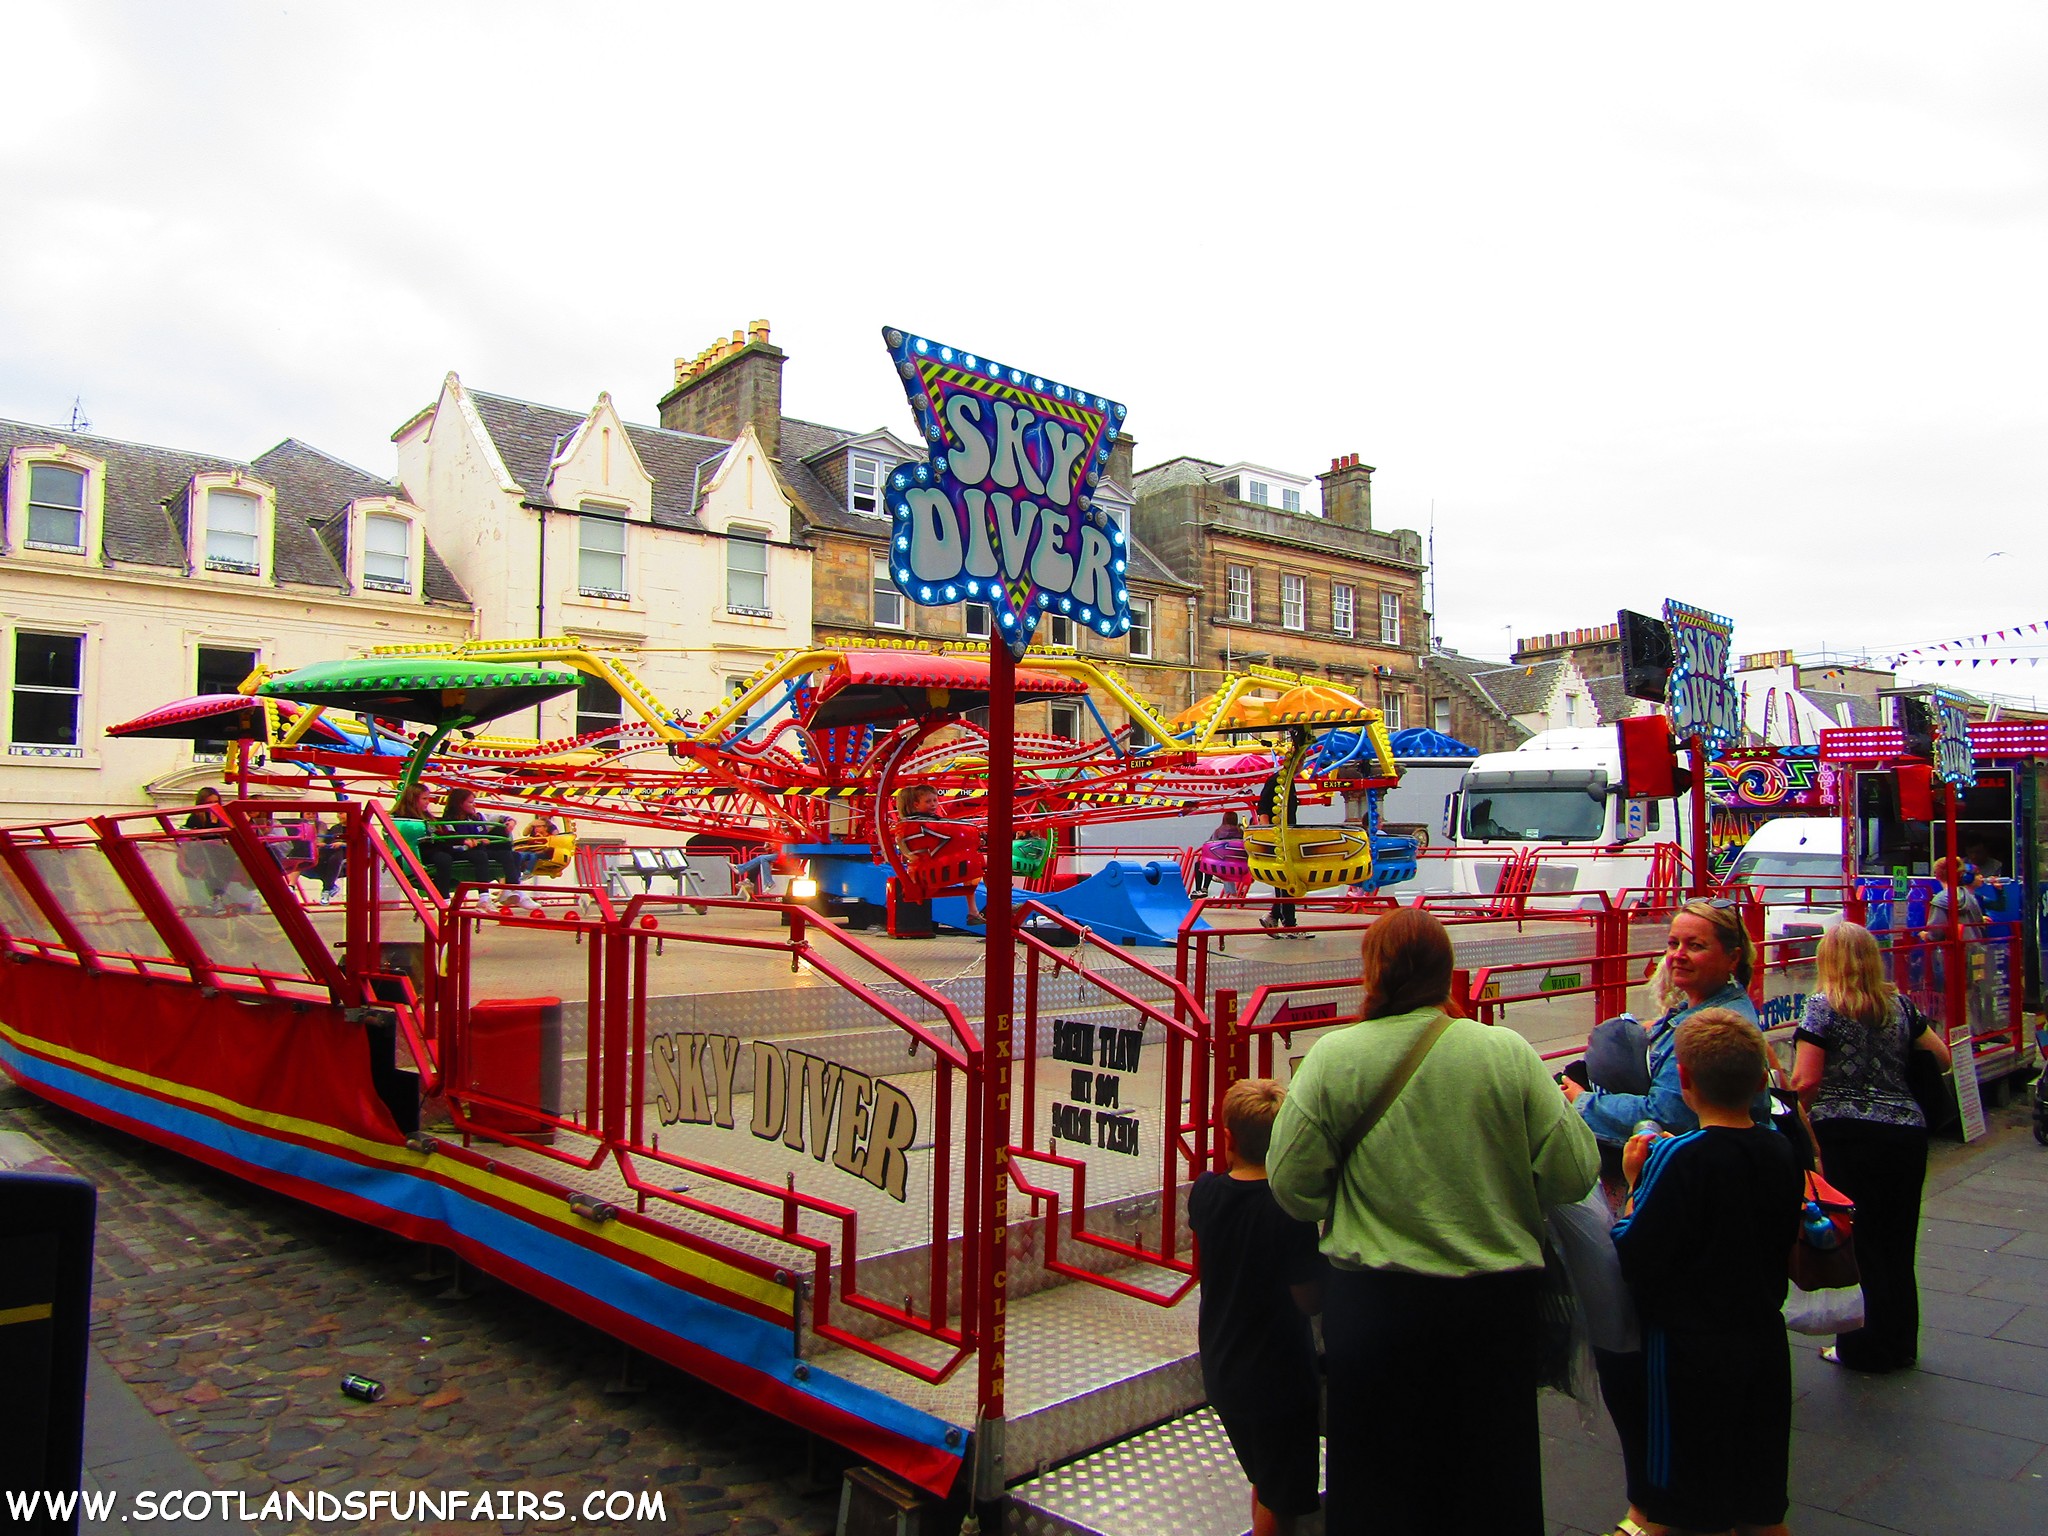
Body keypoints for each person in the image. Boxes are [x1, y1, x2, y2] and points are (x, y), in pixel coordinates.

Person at [1267, 909, 1598, 1533]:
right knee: (1491, 1482)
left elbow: (1290, 1183)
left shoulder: (1336, 1057)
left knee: (1376, 1487)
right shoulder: (1506, 1052)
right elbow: (1575, 1171)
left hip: (1375, 1312)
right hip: (1490, 1313)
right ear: (1448, 972)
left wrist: (1349, 1202)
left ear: (1372, 973)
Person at [1611, 1009, 1802, 1536]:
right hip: (1762, 1338)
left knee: (1687, 1502)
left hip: (1687, 1351)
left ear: (1687, 1081)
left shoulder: (1678, 1157)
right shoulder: (1779, 1149)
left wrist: (1632, 1183)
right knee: (1761, 1501)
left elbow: (1635, 1251)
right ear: (1760, 1079)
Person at [1789, 921, 1951, 1372]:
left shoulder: (1822, 1008)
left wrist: (1801, 1125)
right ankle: (1899, 1343)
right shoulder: (1899, 1006)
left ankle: (1859, 1346)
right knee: (1898, 1240)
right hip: (1905, 1132)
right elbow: (1941, 1056)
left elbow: (1807, 1079)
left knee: (1858, 1243)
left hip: (1847, 1135)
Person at [1189, 1079, 1325, 1536]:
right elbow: (1308, 1299)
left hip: (1223, 1362)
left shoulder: (1205, 1192)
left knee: (1264, 1475)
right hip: (1278, 1375)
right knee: (1280, 1497)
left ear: (1228, 1138)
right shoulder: (1287, 1210)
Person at [426, 787, 534, 912]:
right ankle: (484, 897)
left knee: (514, 855)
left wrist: (509, 821)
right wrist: (470, 841)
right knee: (479, 855)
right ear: (460, 804)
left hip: (480, 849)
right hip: (461, 852)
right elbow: (451, 841)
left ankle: (513, 889)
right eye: (470, 802)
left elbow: (496, 818)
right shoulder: (448, 821)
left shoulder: (477, 817)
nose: (474, 805)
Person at [1255, 774, 1298, 936]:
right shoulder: (1277, 780)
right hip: (1278, 837)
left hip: (1287, 836)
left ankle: (1274, 916)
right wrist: (1267, 833)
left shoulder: (1289, 781)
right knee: (1285, 879)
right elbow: (1264, 808)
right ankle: (1289, 924)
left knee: (1286, 879)